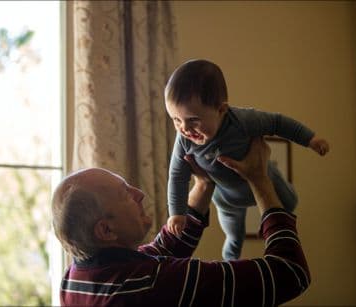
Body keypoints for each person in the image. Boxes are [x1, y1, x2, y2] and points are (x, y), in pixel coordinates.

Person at [52, 137, 311, 306]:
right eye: (125, 195)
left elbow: (161, 250)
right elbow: (289, 273)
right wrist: (260, 180)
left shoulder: (75, 279)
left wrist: (203, 184)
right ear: (106, 230)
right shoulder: (156, 283)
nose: (139, 194)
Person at [165, 59, 329, 260]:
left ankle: (269, 226)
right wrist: (177, 213)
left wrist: (310, 139)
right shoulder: (184, 140)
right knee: (234, 235)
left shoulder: (242, 121)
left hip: (264, 176)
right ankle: (231, 261)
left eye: (193, 120)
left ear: (221, 110)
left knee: (290, 202)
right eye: (176, 120)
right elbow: (177, 176)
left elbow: (277, 123)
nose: (185, 129)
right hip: (226, 198)